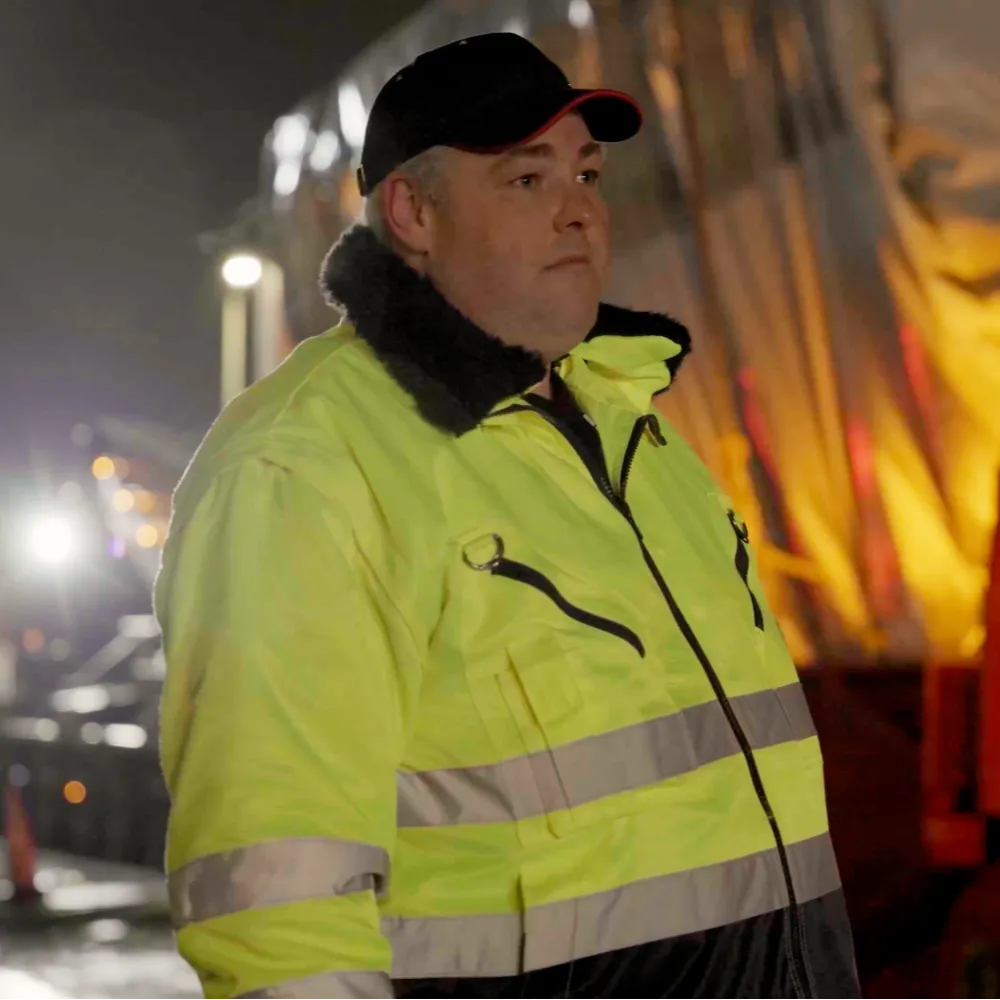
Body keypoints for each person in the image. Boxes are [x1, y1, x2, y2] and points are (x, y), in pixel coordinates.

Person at [156, 32, 860, 1000]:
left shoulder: (625, 419)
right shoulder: (303, 467)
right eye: (526, 182)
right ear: (413, 212)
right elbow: (276, 888)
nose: (578, 210)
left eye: (586, 173)